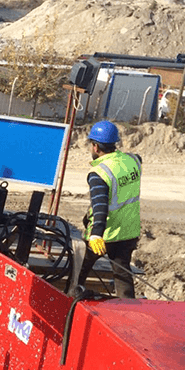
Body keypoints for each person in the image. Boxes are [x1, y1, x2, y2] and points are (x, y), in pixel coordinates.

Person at [75, 120, 142, 299]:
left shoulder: (99, 173)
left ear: (95, 147)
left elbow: (100, 206)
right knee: (122, 273)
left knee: (79, 268)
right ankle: (127, 309)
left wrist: (96, 234)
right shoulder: (133, 161)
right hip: (128, 231)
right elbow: (138, 158)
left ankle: (72, 297)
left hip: (106, 234)